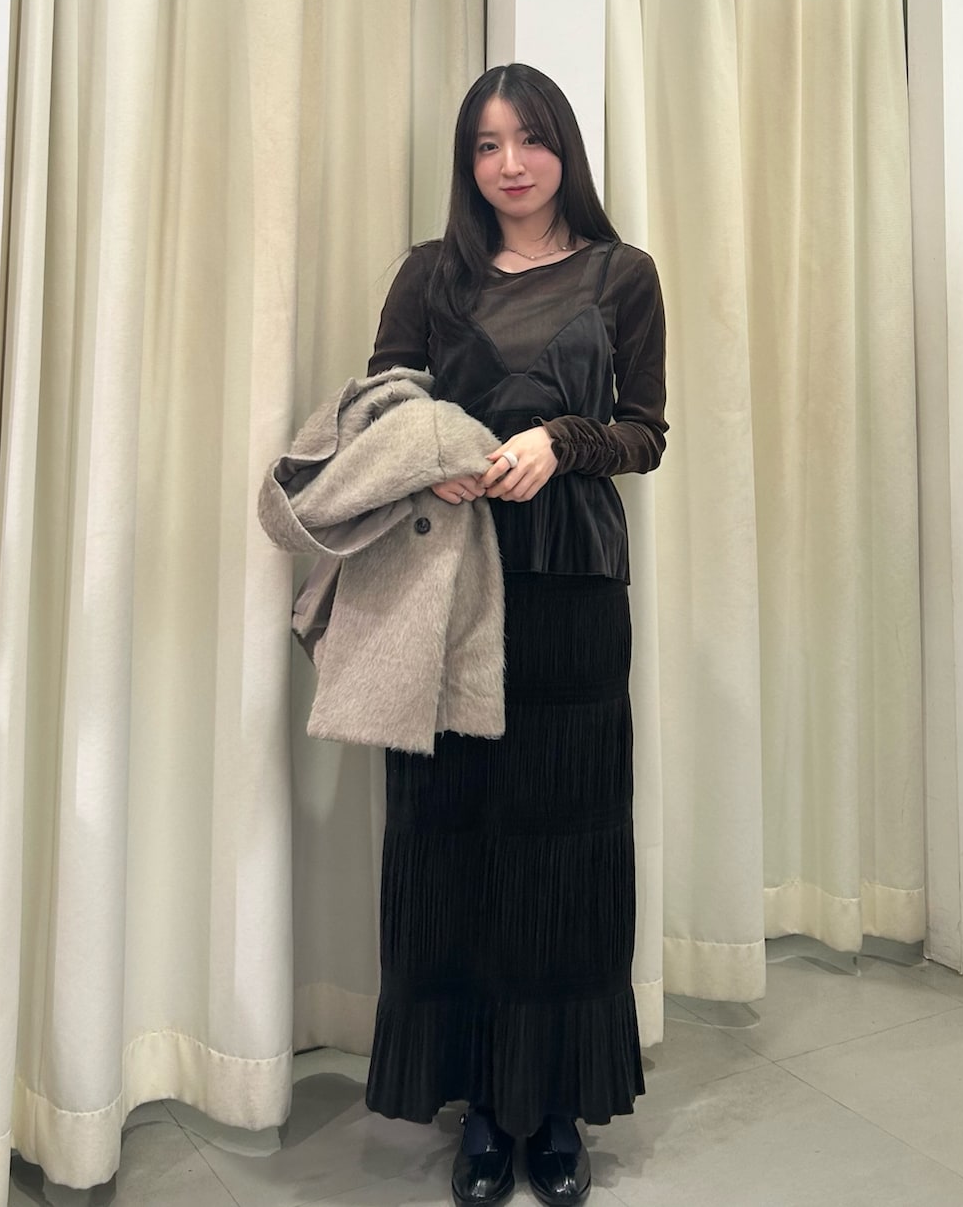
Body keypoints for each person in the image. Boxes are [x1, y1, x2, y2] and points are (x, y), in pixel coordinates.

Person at [365, 62, 667, 1207]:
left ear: (563, 150)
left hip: (572, 592)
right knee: (456, 835)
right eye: (487, 145)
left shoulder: (620, 274)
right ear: (468, 161)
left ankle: (555, 1107)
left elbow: (645, 432)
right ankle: (485, 1103)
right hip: (449, 588)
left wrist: (563, 441)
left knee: (564, 842)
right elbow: (382, 403)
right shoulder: (428, 273)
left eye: (530, 139)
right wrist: (432, 454)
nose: (510, 164)